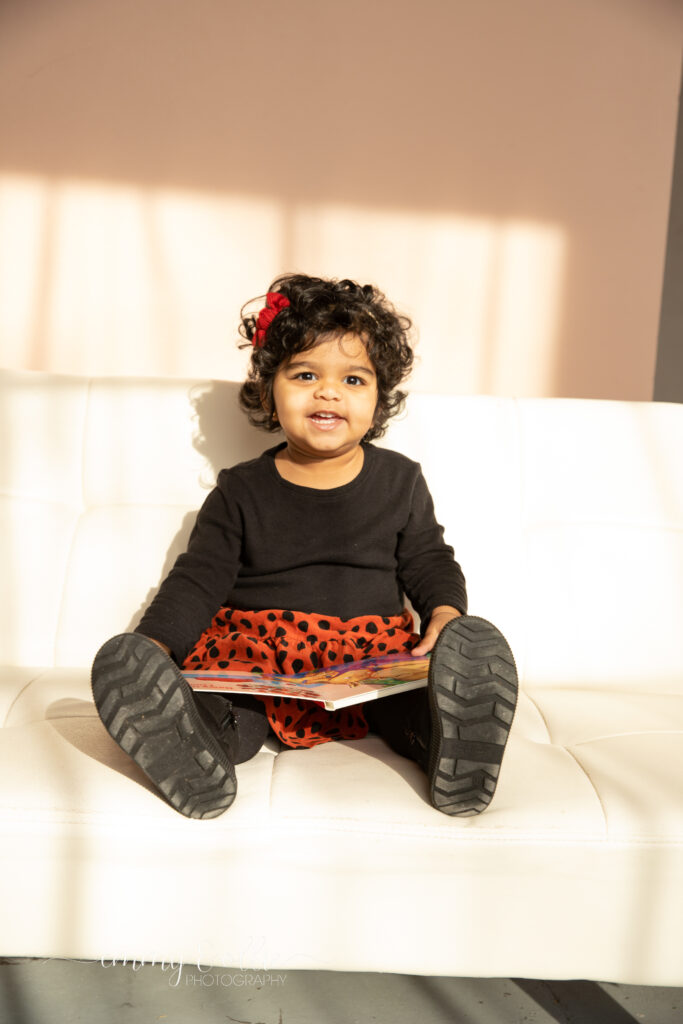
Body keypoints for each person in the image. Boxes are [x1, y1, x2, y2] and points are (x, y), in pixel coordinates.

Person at [91, 274, 518, 820]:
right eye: (306, 374)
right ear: (271, 388)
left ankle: (453, 748)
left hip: (371, 661)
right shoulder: (241, 489)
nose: (328, 391)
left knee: (413, 705)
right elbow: (198, 579)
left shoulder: (400, 480)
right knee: (231, 714)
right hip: (260, 658)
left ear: (378, 397)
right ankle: (188, 747)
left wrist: (445, 613)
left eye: (354, 379)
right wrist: (155, 645)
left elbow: (429, 558)